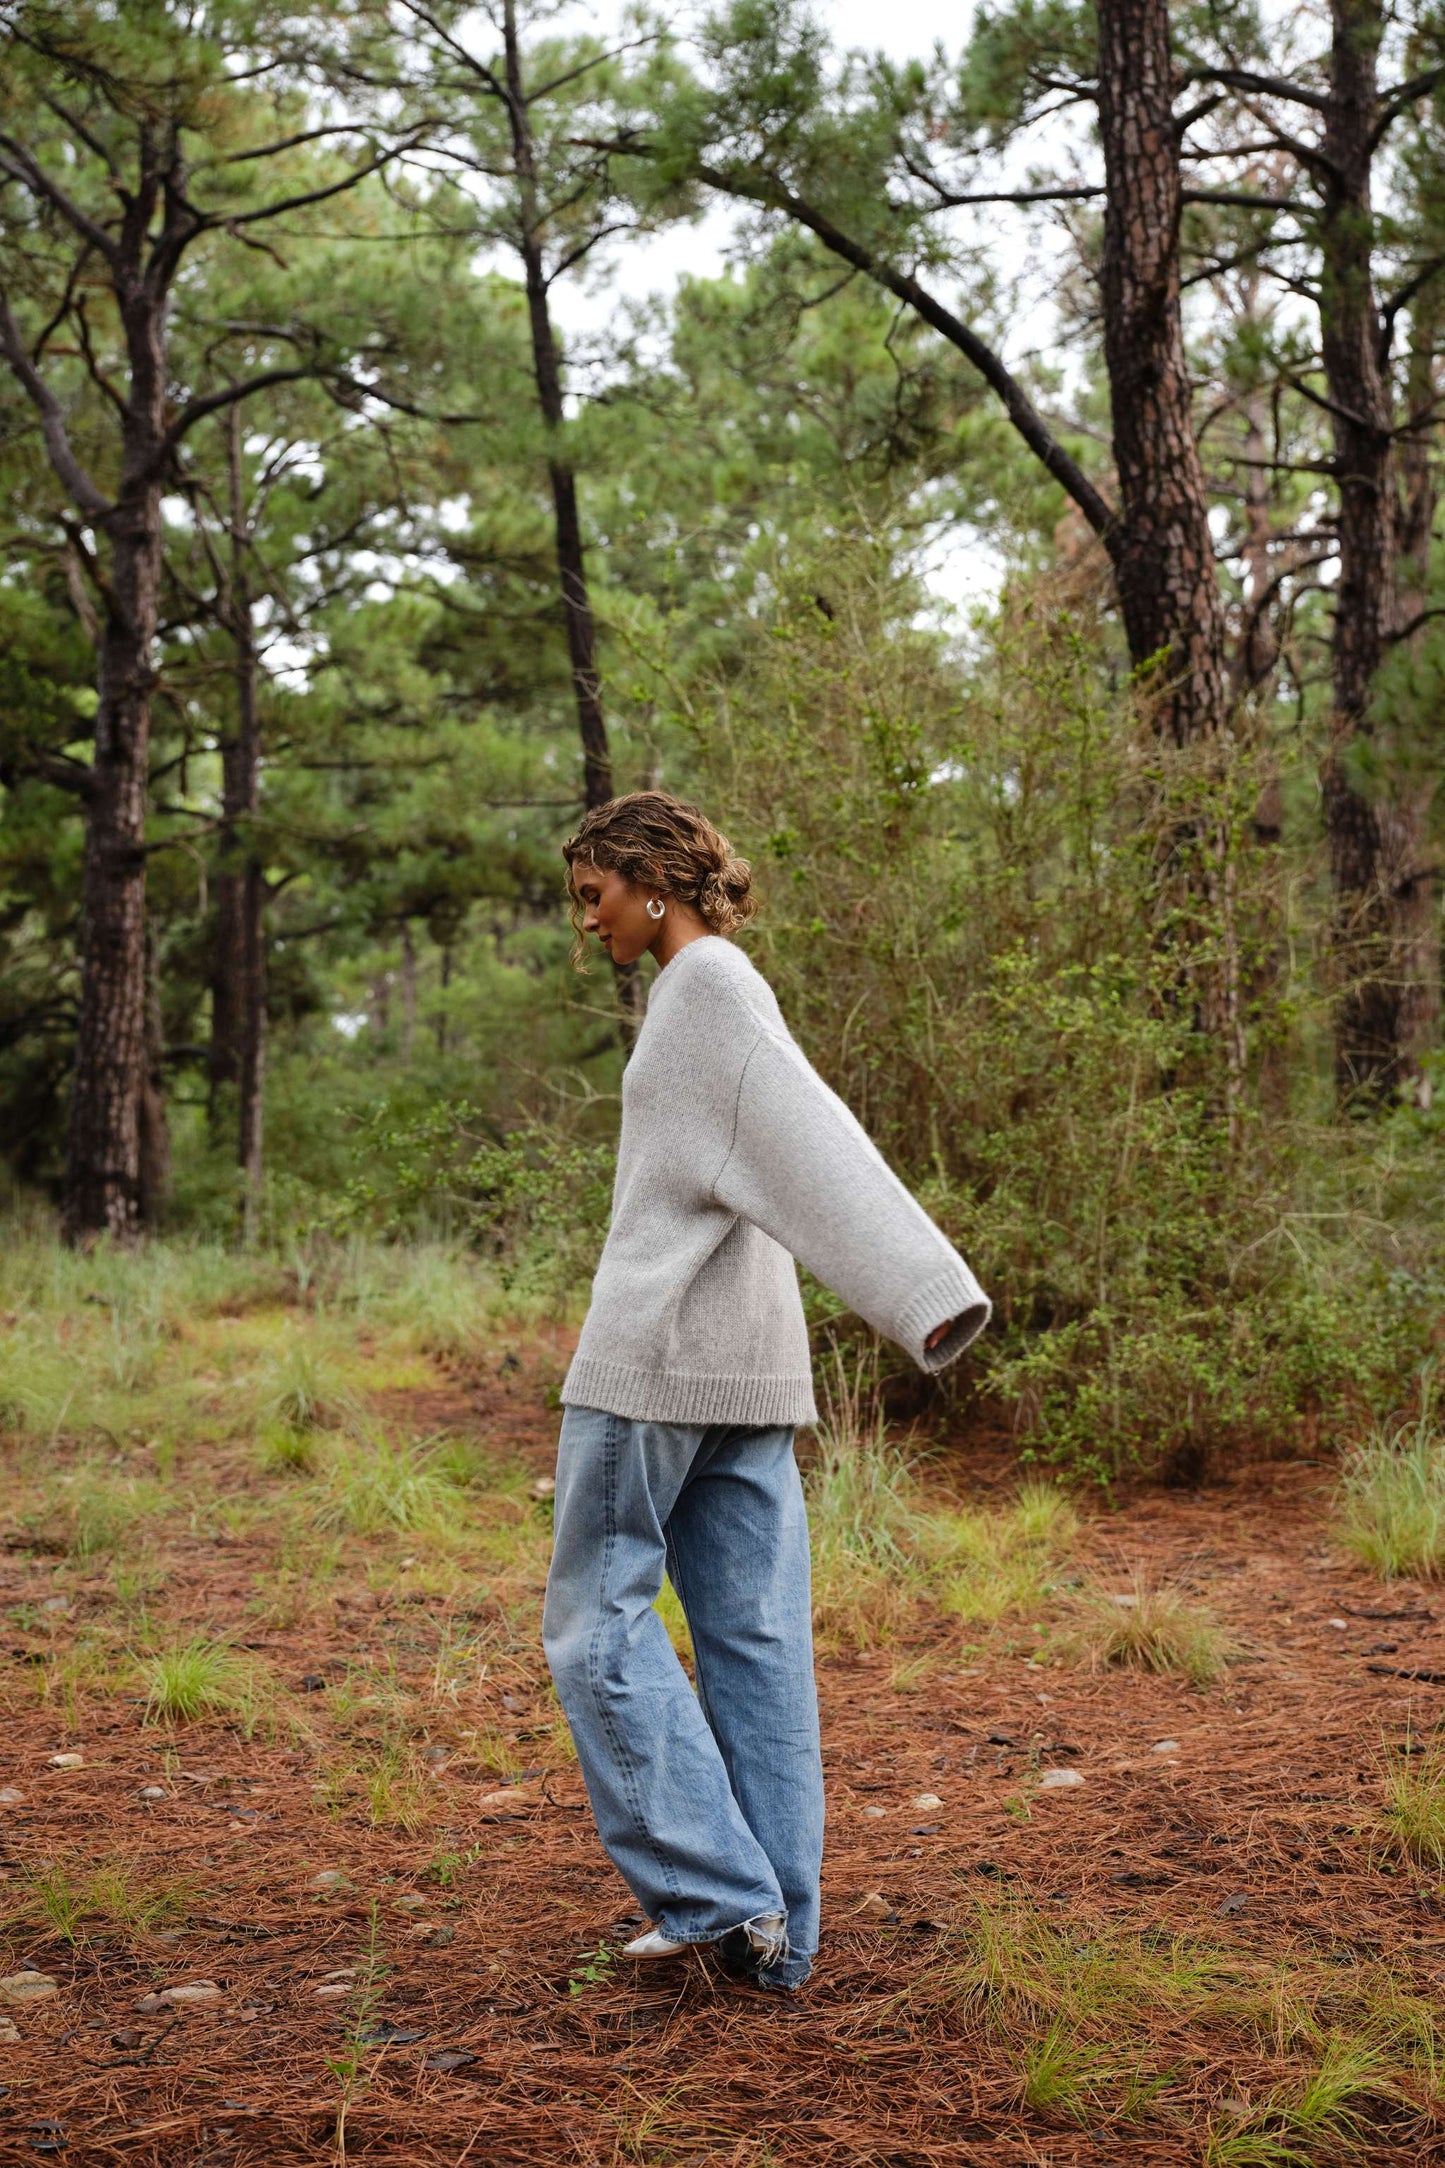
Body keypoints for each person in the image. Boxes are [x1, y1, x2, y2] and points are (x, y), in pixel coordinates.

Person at [542, 791, 990, 1994]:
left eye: (594, 894)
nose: (586, 920)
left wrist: (924, 1292)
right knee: (754, 1641)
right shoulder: (713, 991)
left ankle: (717, 1893)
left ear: (651, 880)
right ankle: (772, 1938)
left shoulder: (704, 989)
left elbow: (820, 1148)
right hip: (744, 1374)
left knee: (594, 1620)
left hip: (657, 1365)